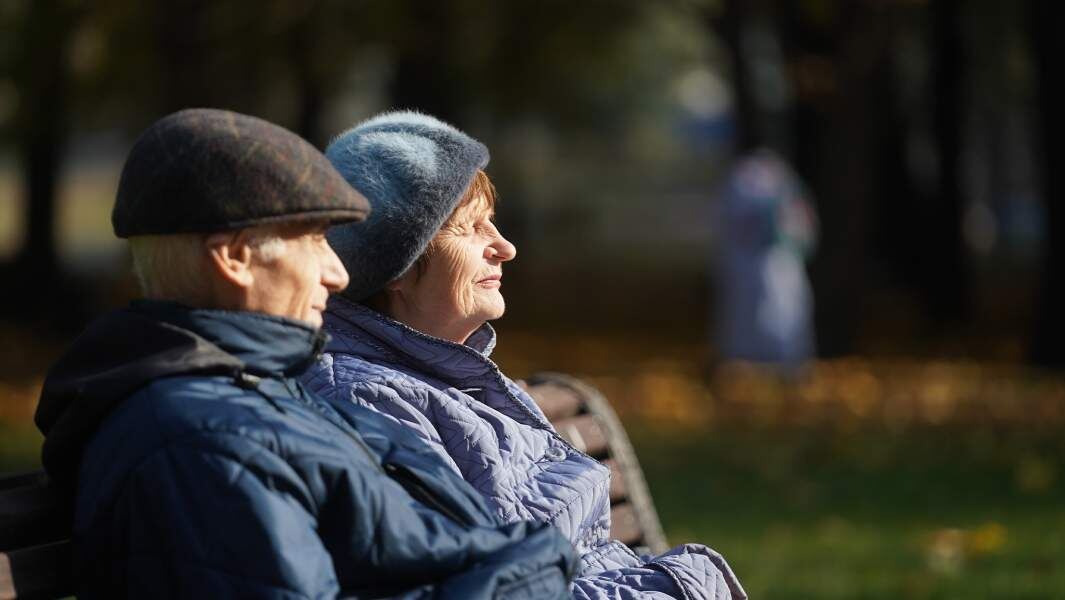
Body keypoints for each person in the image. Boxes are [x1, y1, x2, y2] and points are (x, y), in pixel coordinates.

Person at [33, 108, 580, 599]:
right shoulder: (206, 442)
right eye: (316, 240)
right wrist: (535, 565)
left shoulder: (260, 395)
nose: (339, 273)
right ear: (236, 258)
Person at [302, 111, 747, 600]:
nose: (505, 247)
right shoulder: (369, 403)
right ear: (397, 267)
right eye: (471, 228)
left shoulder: (446, 375)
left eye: (492, 223)